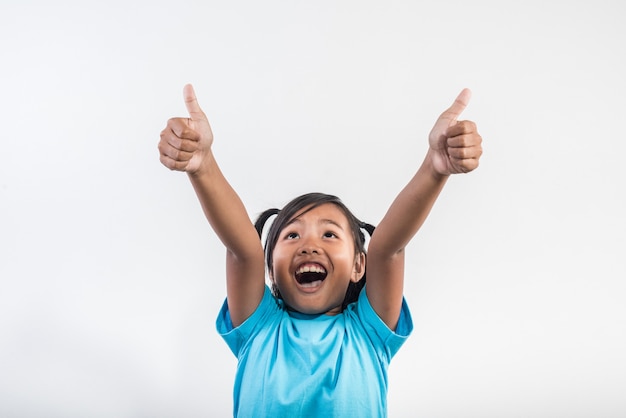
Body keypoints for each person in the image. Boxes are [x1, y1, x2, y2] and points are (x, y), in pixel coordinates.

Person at [158, 84, 482, 417]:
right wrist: (202, 165)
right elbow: (243, 250)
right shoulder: (259, 326)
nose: (309, 245)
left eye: (329, 234)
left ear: (359, 266)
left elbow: (388, 249)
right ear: (269, 268)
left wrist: (435, 168)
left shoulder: (369, 332)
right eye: (292, 236)